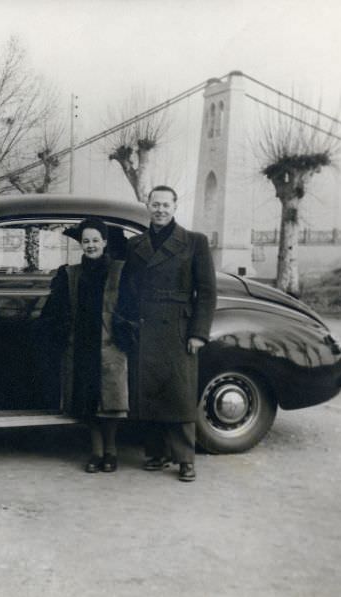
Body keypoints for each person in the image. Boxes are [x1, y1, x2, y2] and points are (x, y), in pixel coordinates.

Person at [114, 186, 216, 482]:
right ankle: (156, 454)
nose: (160, 209)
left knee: (180, 394)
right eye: (155, 204)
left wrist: (198, 332)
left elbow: (207, 292)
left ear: (175, 206)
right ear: (148, 205)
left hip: (179, 330)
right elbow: (126, 290)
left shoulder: (195, 242)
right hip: (144, 327)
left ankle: (185, 459)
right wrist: (125, 324)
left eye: (165, 205)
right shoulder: (136, 245)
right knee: (150, 394)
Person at [39, 218, 129, 473]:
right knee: (89, 403)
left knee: (110, 403)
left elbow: (129, 307)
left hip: (110, 344)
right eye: (86, 241)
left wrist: (122, 334)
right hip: (82, 344)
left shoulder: (120, 272)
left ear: (105, 242)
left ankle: (111, 452)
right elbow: (58, 311)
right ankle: (96, 452)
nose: (91, 246)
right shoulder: (71, 274)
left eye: (95, 241)